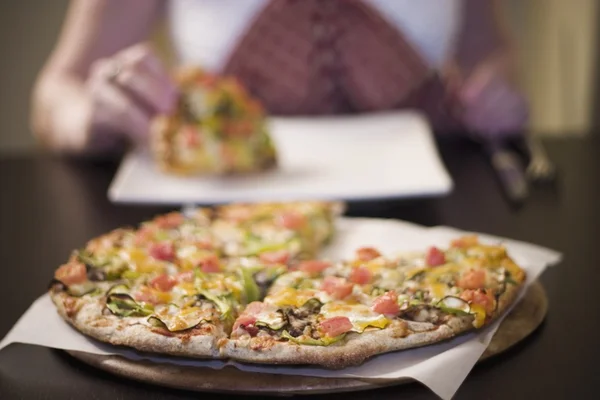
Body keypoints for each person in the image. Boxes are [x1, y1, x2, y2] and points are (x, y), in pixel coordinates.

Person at [31, 0, 528, 156]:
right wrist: (85, 114)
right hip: (203, 224)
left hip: (435, 209)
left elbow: (490, 51)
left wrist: (494, 94)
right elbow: (57, 89)